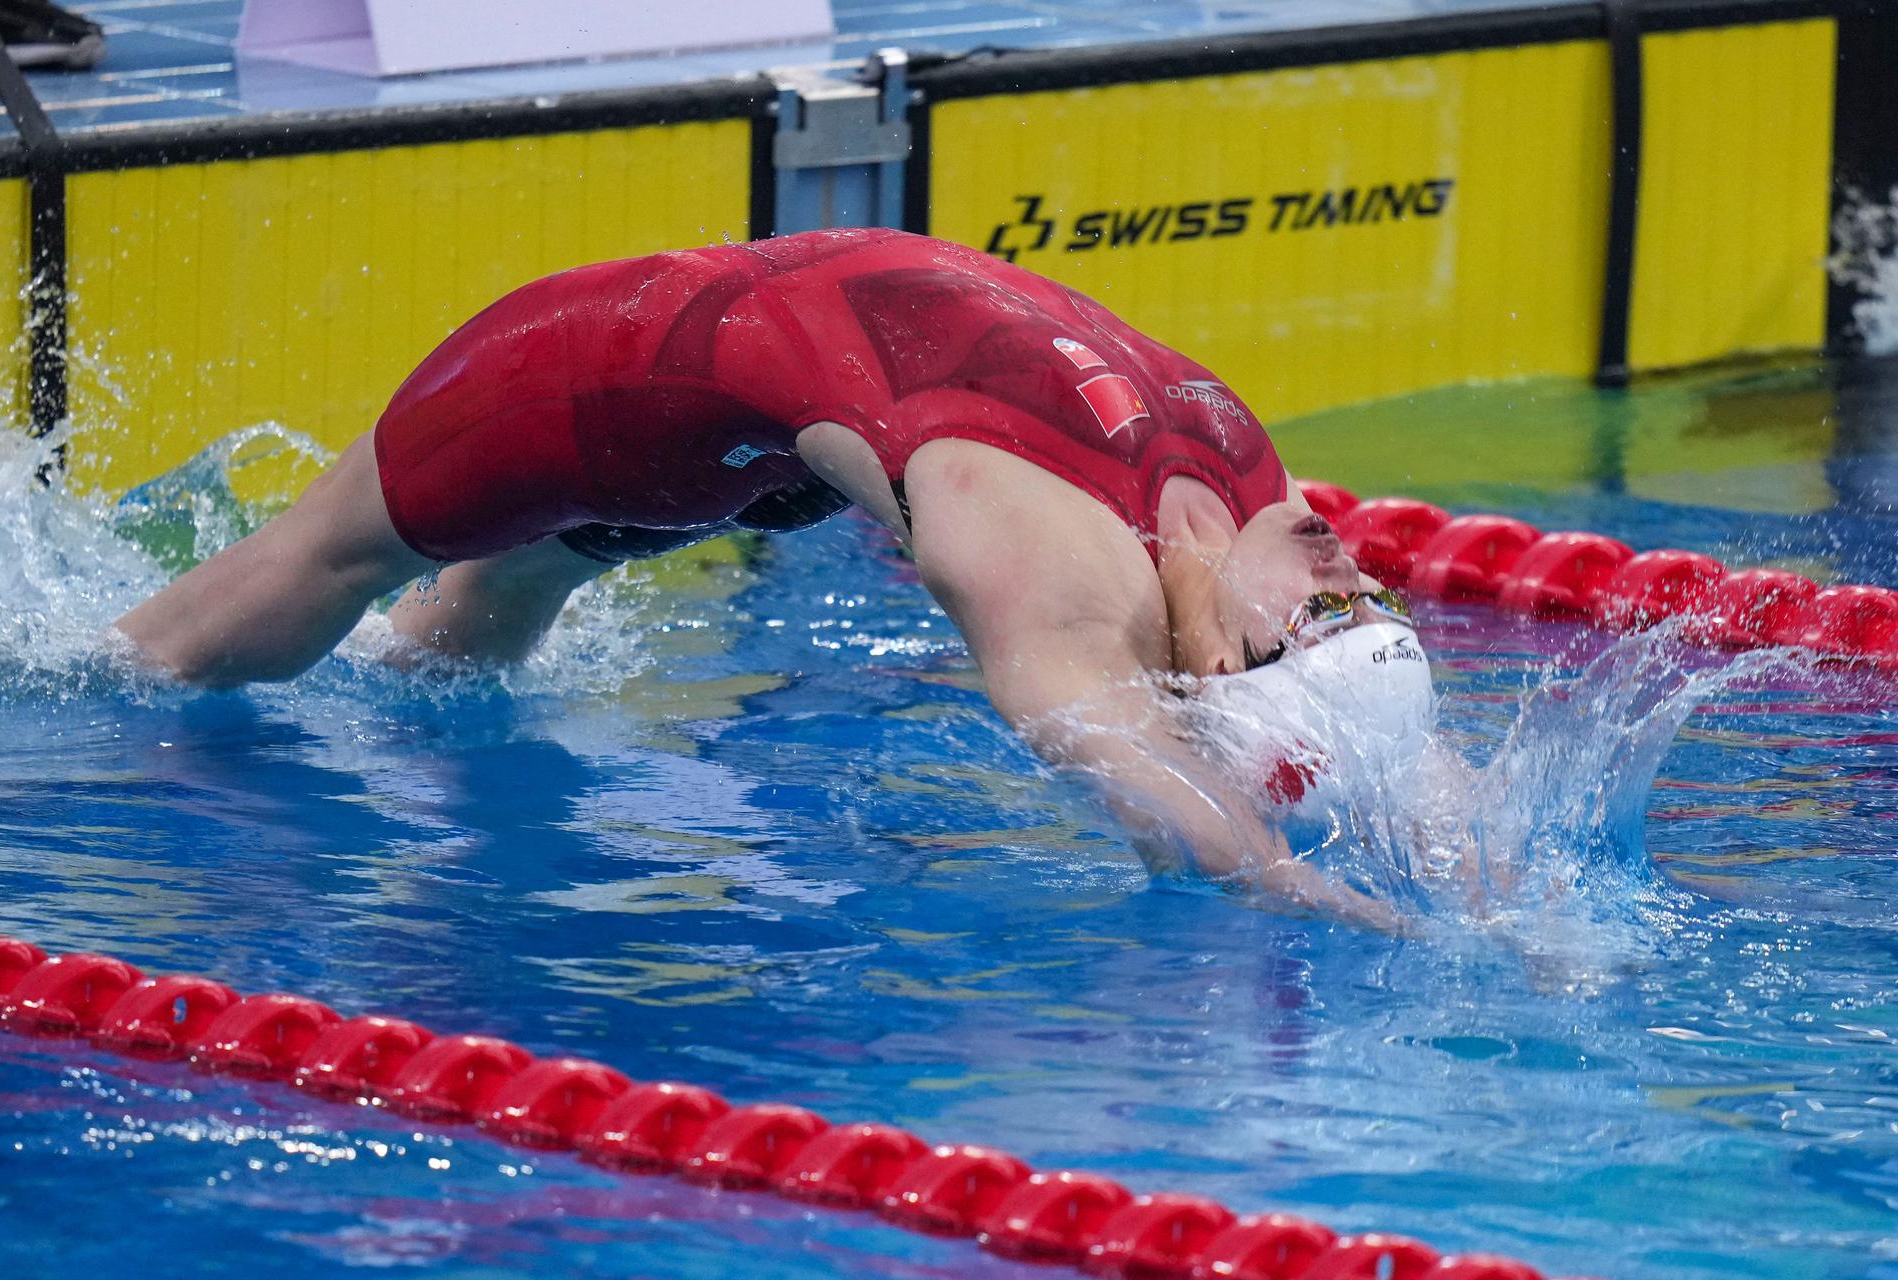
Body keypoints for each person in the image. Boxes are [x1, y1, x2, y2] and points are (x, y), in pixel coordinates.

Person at [114, 228, 1432, 926]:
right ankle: (264, 686)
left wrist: (1318, 898)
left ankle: (67, 686)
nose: (1344, 571)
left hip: (617, 379)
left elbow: (1166, 796)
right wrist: (1500, 901)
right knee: (436, 610)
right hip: (696, 387)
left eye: (1323, 620)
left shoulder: (1051, 571)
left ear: (1218, 668)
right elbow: (1427, 776)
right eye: (1372, 608)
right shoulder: (1250, 516)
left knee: (287, 601)